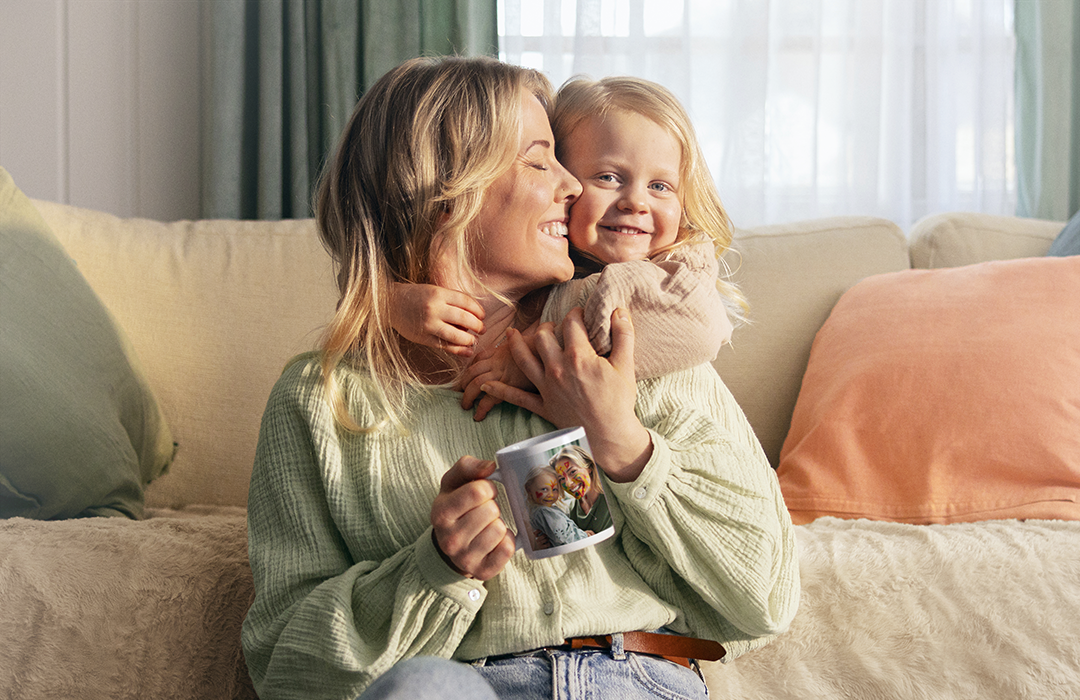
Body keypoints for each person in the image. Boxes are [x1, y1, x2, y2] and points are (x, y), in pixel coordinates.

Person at [242, 55, 798, 700]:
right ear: (447, 193)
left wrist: (622, 444)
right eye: (540, 162)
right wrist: (434, 569)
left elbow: (765, 600)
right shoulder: (321, 400)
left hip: (633, 677)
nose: (573, 186)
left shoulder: (632, 348)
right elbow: (283, 668)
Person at [392, 74, 743, 421]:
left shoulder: (682, 265)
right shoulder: (547, 269)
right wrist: (389, 301)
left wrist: (534, 355)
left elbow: (699, 325)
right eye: (608, 177)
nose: (636, 202)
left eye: (660, 186)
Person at [549, 445, 611, 534]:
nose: (568, 483)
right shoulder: (569, 511)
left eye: (573, 472)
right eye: (561, 479)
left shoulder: (611, 496)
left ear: (589, 467)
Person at [523, 465, 588, 548]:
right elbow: (564, 538)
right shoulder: (545, 512)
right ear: (529, 489)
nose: (551, 494)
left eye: (554, 490)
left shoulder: (542, 510)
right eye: (544, 489)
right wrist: (585, 536)